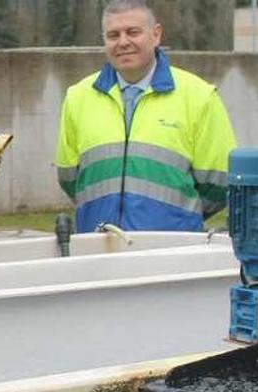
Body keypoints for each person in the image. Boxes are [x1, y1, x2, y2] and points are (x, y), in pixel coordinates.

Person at [56, 0, 236, 232]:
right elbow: (70, 179)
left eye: (133, 32)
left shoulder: (199, 97)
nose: (123, 42)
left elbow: (219, 184)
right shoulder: (78, 97)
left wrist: (175, 218)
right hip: (97, 245)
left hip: (170, 251)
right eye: (113, 35)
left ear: (156, 34)